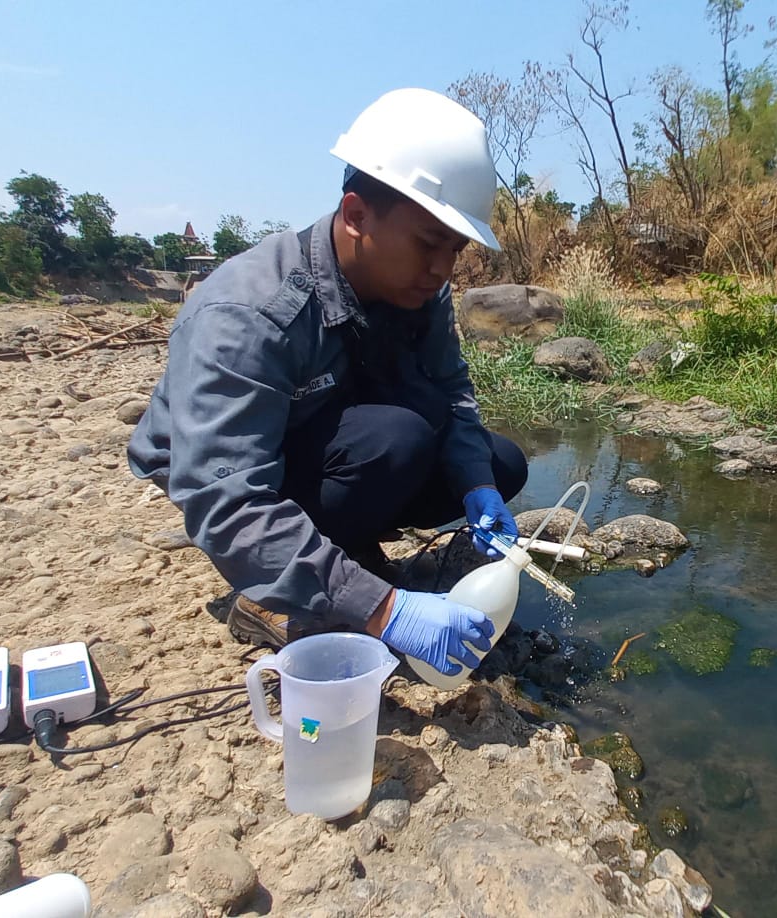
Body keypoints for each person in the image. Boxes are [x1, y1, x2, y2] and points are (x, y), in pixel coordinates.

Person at [127, 88, 526, 678]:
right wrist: (384, 609)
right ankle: (271, 596)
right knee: (396, 440)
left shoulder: (418, 287)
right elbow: (227, 497)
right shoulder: (248, 312)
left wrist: (475, 485)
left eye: (456, 249)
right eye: (428, 244)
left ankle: (335, 557)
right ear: (357, 215)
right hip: (232, 472)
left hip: (327, 435)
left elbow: (449, 390)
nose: (443, 269)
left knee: (500, 462)